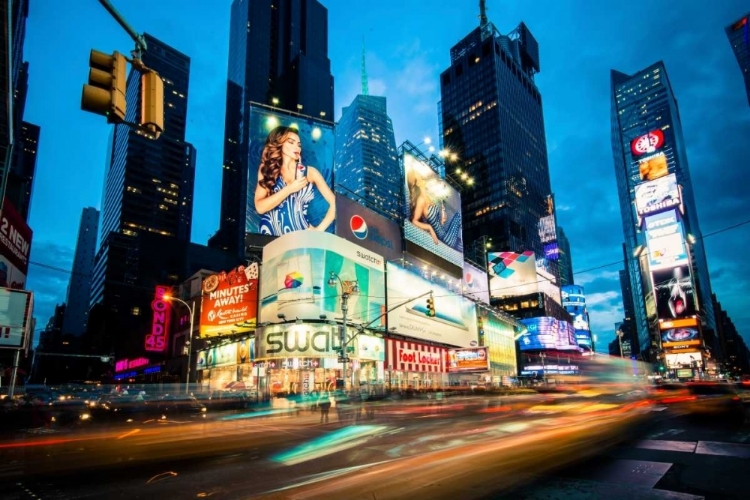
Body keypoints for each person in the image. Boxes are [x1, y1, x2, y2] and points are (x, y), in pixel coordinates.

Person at [254, 125, 336, 235]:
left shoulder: (310, 172)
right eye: (291, 142)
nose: (297, 147)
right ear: (279, 143)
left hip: (300, 239)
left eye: (299, 145)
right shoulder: (268, 168)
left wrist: (318, 231)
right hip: (270, 236)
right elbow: (260, 207)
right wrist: (289, 189)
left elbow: (336, 204)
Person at [406, 168, 462, 248]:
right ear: (417, 183)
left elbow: (436, 223)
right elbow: (414, 221)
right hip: (444, 238)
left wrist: (442, 221)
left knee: (459, 243)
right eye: (420, 177)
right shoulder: (421, 200)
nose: (423, 178)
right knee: (458, 216)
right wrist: (430, 228)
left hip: (444, 234)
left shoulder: (427, 197)